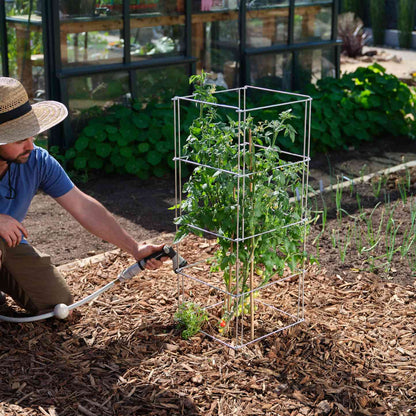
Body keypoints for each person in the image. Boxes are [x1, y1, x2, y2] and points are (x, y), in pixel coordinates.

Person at [0, 77, 165, 315]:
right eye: (19, 139)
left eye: (31, 135)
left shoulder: (37, 161)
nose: (30, 146)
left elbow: (82, 206)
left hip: (9, 246)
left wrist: (135, 247)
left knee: (54, 300)